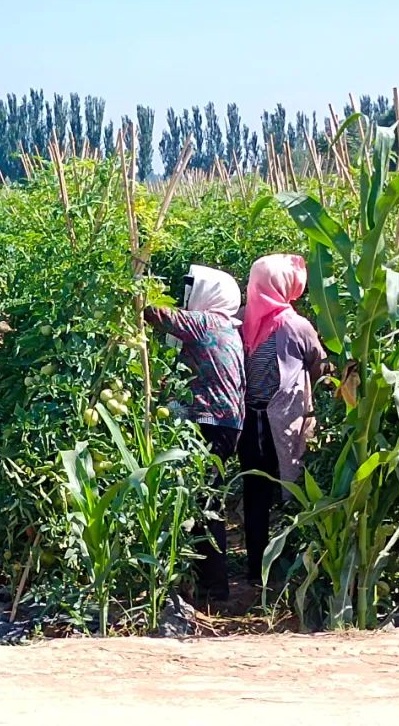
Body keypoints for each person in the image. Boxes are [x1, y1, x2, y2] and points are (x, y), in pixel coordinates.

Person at [144, 264, 245, 601]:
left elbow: (156, 314)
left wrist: (133, 290)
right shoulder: (228, 326)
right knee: (204, 498)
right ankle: (207, 582)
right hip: (225, 424)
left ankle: (213, 587)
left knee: (203, 501)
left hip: (211, 422)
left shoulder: (208, 322)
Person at [239, 253, 327, 586]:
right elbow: (317, 364)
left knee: (255, 497)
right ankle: (292, 568)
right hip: (285, 426)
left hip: (250, 426)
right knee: (294, 493)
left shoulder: (244, 319)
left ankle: (256, 570)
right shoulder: (296, 325)